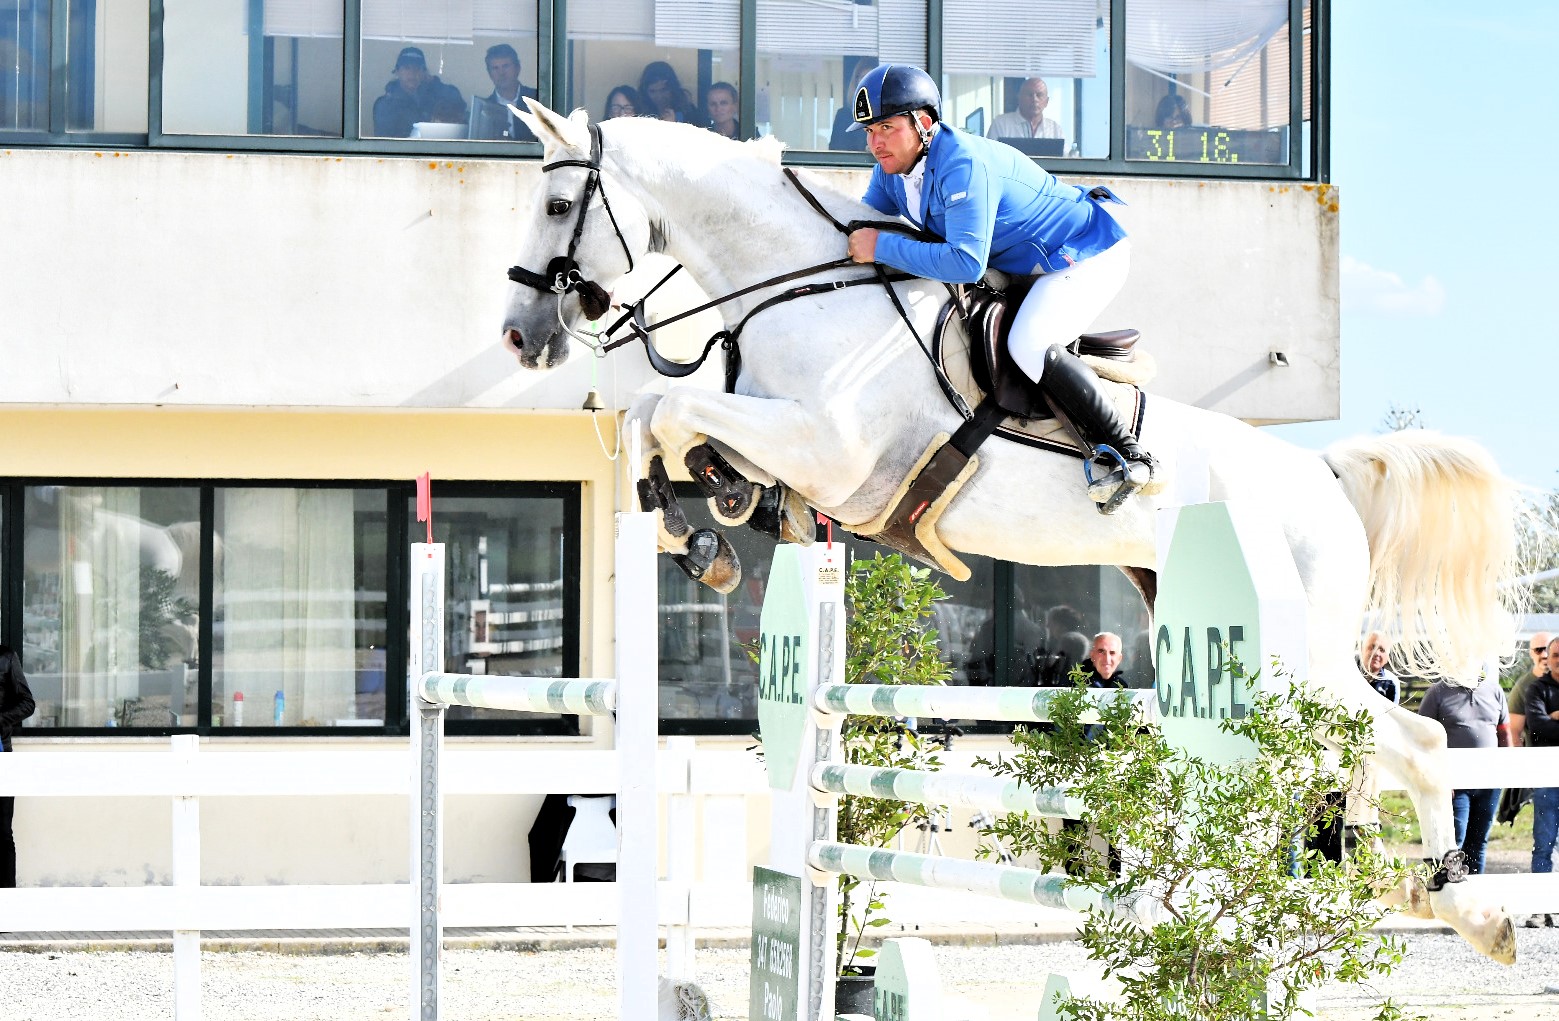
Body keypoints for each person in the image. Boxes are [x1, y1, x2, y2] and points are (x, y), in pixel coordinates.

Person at [845, 63, 1154, 505]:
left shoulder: (963, 163)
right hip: (1023, 262)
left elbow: (965, 262)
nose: (875, 143)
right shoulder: (893, 168)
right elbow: (866, 227)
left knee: (1027, 343)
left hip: (1080, 256)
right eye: (869, 131)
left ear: (924, 124)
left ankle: (1128, 455)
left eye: (887, 128)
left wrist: (881, 247)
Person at [1417, 674, 1509, 875]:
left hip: (1488, 783)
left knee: (1478, 843)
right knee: (1452, 842)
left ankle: (1472, 900)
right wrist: (1440, 780)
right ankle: (1447, 897)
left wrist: (1504, 772)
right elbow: (1421, 739)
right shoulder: (1437, 692)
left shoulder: (1495, 690)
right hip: (1453, 784)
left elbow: (1504, 735)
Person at [0, 644, 36, 888]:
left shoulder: (6, 657)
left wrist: (0, 720)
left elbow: (27, 703)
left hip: (1, 754)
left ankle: (8, 909)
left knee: (2, 832)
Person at [1523, 637, 1559, 885]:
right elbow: (1539, 728)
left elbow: (1549, 726)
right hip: (1546, 776)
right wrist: (1548, 720)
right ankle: (1539, 908)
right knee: (1544, 842)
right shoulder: (1536, 689)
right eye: (1555, 654)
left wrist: (1555, 716)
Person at [371, 46, 467, 138]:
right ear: (397, 71)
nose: (412, 73)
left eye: (417, 68)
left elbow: (459, 104)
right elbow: (384, 143)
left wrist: (434, 83)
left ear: (424, 73)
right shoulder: (384, 104)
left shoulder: (433, 96)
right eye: (407, 68)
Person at [472, 44, 537, 142]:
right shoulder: (484, 109)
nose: (501, 73)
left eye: (506, 66)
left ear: (517, 68)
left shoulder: (537, 98)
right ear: (489, 73)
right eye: (495, 68)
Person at [1508, 631, 1551, 744]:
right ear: (1531, 653)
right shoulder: (1522, 688)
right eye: (1538, 650)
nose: (1544, 655)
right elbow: (1514, 733)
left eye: (1548, 649)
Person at [986, 77, 1062, 141]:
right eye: (1029, 94)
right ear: (1019, 97)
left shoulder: (1054, 129)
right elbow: (990, 155)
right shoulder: (1001, 124)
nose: (1034, 99)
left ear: (1046, 102)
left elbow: (1066, 157)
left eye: (1039, 95)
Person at [639, 61, 708, 127]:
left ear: (673, 88)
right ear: (645, 92)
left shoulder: (689, 112)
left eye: (663, 90)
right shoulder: (640, 112)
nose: (659, 96)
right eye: (652, 91)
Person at [829, 57, 874, 152]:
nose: (867, 83)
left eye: (871, 78)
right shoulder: (844, 116)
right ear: (855, 82)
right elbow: (837, 153)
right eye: (862, 78)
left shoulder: (889, 117)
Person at [1359, 631, 1399, 704]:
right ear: (1362, 650)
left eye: (1382, 650)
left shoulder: (1391, 683)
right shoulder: (1350, 673)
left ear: (1387, 658)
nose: (1377, 653)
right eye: (1373, 647)